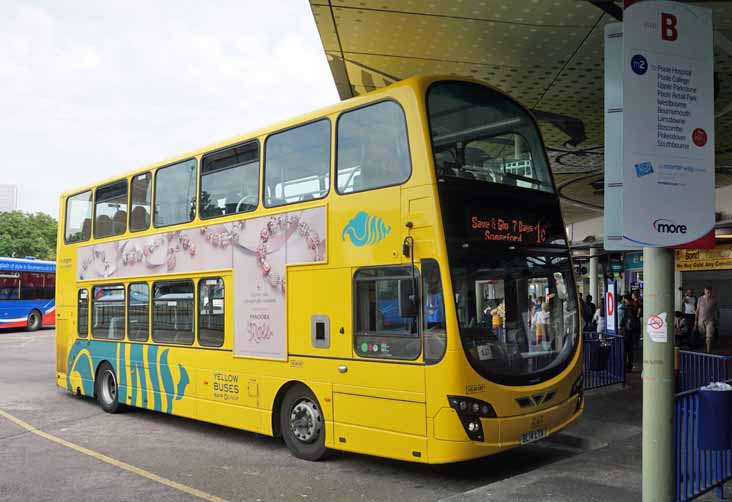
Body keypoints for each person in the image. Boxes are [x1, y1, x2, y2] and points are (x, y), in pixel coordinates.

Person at [695, 286, 720, 353]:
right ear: (704, 291)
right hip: (701, 321)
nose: (708, 293)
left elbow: (717, 310)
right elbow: (697, 310)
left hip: (710, 320)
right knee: (703, 334)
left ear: (711, 292)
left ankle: (708, 351)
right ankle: (707, 342)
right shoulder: (700, 299)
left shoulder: (714, 299)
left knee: (708, 336)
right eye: (707, 291)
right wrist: (696, 321)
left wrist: (717, 319)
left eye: (710, 292)